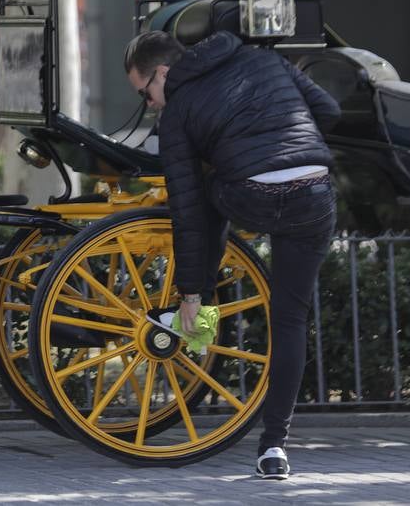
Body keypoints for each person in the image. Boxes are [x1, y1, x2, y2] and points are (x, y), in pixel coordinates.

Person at [124, 29, 340, 481]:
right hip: (315, 192)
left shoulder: (178, 111)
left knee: (204, 196)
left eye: (146, 93)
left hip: (252, 194)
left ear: (163, 72)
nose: (150, 104)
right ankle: (274, 447)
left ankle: (198, 312)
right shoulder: (264, 59)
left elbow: (184, 211)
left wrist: (188, 290)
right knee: (290, 320)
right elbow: (329, 111)